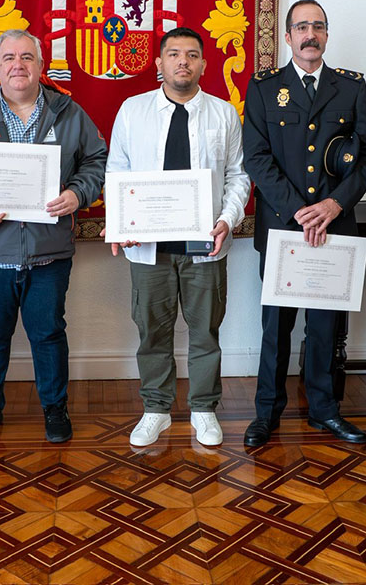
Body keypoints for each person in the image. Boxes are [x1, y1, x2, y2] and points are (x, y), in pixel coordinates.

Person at [0, 29, 107, 446]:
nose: (18, 65)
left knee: (48, 334)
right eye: (9, 57)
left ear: (41, 66)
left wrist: (77, 193)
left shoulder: (69, 112)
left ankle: (55, 408)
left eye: (27, 57)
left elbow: (98, 160)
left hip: (49, 253)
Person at [241, 0, 366, 448]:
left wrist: (335, 205)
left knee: (326, 328)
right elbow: (256, 158)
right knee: (275, 328)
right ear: (287, 37)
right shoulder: (265, 87)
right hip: (284, 228)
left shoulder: (350, 87)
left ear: (327, 35)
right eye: (301, 27)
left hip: (334, 230)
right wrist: (299, 211)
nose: (310, 34)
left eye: (318, 26)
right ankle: (267, 414)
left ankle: (325, 411)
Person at [107, 27, 251, 447]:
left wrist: (227, 219)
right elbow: (116, 172)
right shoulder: (132, 111)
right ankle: (156, 409)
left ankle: (203, 408)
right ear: (159, 64)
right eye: (173, 54)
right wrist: (122, 222)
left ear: (204, 64)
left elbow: (238, 176)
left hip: (205, 244)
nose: (182, 61)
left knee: (206, 329)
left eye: (191, 54)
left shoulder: (224, 114)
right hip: (148, 247)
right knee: (152, 329)